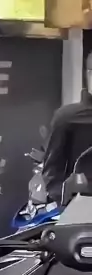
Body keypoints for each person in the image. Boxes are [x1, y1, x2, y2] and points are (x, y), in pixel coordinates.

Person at [43, 51, 92, 205]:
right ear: (89, 75)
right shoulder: (67, 117)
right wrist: (67, 201)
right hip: (82, 206)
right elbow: (51, 172)